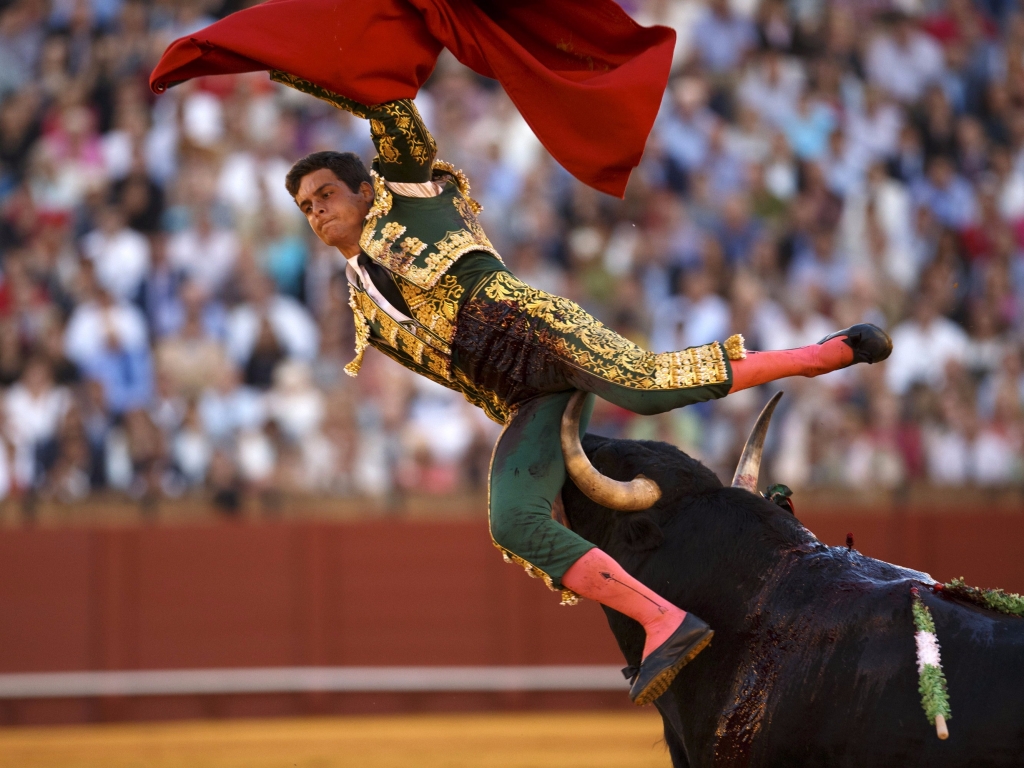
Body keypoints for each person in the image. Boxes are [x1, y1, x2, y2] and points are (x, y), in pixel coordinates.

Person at [279, 74, 893, 706]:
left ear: (365, 190)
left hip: (541, 334)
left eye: (326, 193)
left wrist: (339, 65)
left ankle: (820, 355)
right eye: (307, 206)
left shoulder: (407, 201)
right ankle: (665, 620)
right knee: (512, 520)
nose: (318, 211)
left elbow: (394, 115)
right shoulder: (364, 316)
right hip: (524, 401)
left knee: (648, 389)